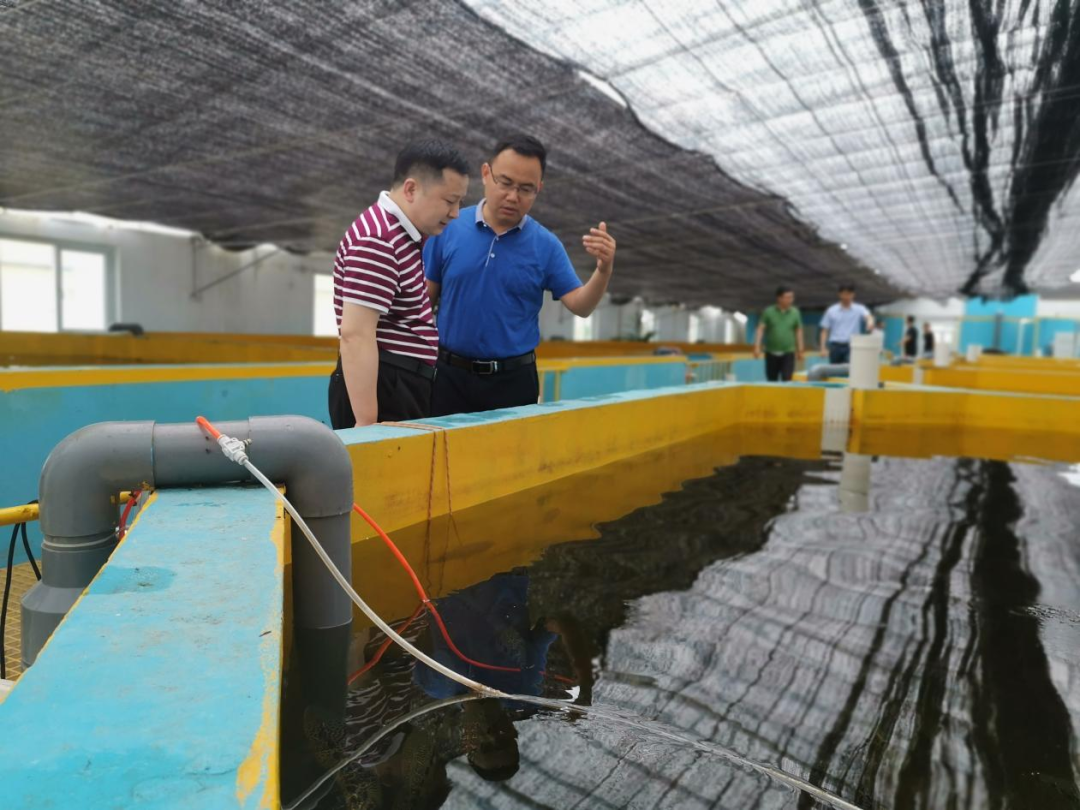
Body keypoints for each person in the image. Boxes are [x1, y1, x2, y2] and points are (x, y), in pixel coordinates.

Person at [423, 134, 617, 416]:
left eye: (526, 189)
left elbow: (581, 306)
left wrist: (603, 270)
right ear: (486, 174)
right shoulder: (449, 227)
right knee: (443, 458)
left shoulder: (546, 245)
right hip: (448, 376)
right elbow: (424, 300)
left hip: (512, 382)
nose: (513, 196)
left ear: (539, 188)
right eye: (505, 183)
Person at [328, 140, 470, 429]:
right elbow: (356, 335)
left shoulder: (402, 237)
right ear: (411, 189)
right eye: (449, 201)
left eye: (460, 202)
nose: (456, 213)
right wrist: (367, 424)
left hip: (398, 383)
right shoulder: (378, 240)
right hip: (386, 388)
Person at [753, 286, 803, 382]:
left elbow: (798, 331)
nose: (790, 300)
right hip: (771, 352)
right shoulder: (768, 312)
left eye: (792, 297)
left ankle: (786, 397)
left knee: (787, 378)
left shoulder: (795, 313)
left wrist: (800, 349)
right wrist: (757, 347)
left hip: (788, 352)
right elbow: (760, 329)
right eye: (787, 297)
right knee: (772, 379)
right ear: (779, 298)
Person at [819, 283, 874, 364]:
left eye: (849, 294)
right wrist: (823, 348)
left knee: (850, 370)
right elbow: (824, 330)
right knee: (834, 371)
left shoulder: (859, 309)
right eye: (844, 294)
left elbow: (868, 316)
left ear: (853, 295)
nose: (847, 297)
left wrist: (870, 322)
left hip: (852, 346)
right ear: (839, 294)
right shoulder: (831, 310)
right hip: (835, 346)